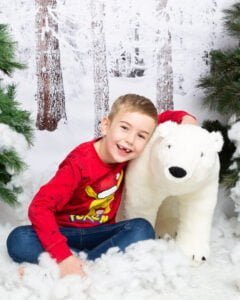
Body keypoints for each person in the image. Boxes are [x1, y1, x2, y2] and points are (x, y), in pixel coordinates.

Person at [6, 94, 197, 278]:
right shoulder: (79, 163)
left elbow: (158, 120)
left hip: (100, 234)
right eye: (124, 128)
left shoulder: (125, 154)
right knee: (19, 239)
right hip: (65, 232)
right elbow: (40, 207)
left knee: (142, 229)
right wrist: (62, 255)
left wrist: (185, 118)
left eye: (141, 136)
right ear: (106, 125)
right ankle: (74, 263)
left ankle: (80, 266)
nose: (130, 139)